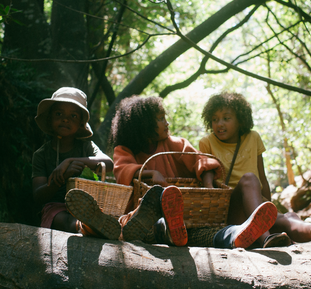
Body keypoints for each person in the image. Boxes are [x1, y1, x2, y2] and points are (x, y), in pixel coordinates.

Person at [199, 92, 311, 248]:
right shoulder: (207, 142)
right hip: (230, 211)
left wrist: (269, 209)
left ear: (240, 120)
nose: (219, 124)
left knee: (290, 218)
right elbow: (207, 175)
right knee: (249, 179)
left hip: (255, 206)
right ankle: (265, 238)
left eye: (226, 118)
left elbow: (262, 178)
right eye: (215, 119)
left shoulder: (253, 137)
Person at [109, 95, 279, 249]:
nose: (166, 122)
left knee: (207, 233)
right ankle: (166, 227)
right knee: (143, 224)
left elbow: (202, 160)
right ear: (144, 126)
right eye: (161, 119)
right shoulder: (124, 150)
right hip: (147, 220)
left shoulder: (175, 144)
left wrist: (207, 183)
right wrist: (151, 173)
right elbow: (123, 170)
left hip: (185, 221)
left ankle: (238, 235)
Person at [32, 87, 120, 238]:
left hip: (88, 207)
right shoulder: (41, 155)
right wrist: (60, 179)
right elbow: (38, 196)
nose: (65, 119)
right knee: (66, 221)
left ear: (80, 123)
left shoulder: (87, 147)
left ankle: (113, 224)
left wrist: (71, 160)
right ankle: (88, 227)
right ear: (50, 118)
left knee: (97, 214)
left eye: (73, 116)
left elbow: (109, 163)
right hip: (56, 208)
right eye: (59, 114)